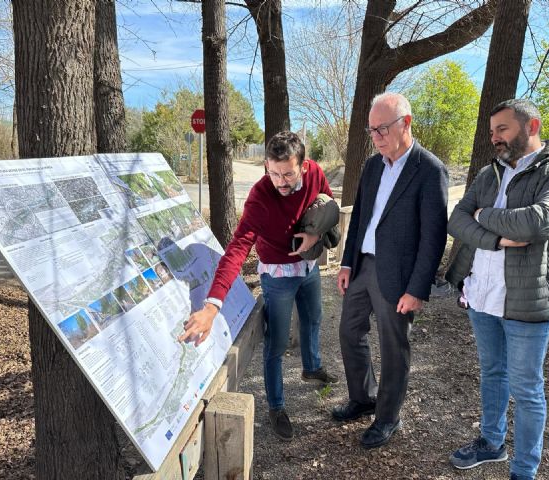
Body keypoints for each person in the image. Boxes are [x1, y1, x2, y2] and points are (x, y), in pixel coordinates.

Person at [446, 99, 549, 480]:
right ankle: (491, 444)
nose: (495, 139)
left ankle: (523, 472)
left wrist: (482, 217)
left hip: (528, 299)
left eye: (502, 129)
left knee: (526, 389)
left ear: (532, 125)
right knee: (492, 373)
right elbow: (456, 219)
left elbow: (538, 222)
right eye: (492, 132)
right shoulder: (489, 174)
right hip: (482, 293)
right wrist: (497, 239)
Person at [179, 131, 338, 442]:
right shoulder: (259, 197)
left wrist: (315, 236)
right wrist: (212, 305)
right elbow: (238, 248)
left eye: (288, 173)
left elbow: (328, 204)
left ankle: (312, 367)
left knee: (314, 318)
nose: (280, 181)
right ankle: (277, 406)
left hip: (309, 265)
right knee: (276, 344)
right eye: (274, 172)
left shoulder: (317, 173)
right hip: (277, 274)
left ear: (303, 167)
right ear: (266, 165)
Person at [332, 92, 448, 449]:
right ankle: (363, 398)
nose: (377, 136)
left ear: (406, 123)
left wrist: (417, 289)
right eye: (372, 130)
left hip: (398, 276)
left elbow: (433, 237)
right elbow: (360, 219)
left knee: (393, 347)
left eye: (382, 128)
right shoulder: (372, 166)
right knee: (350, 333)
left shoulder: (429, 170)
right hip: (363, 266)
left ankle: (387, 418)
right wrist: (347, 261)